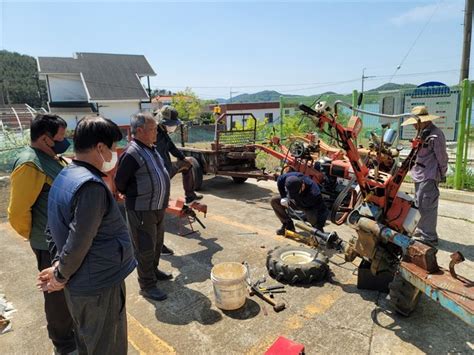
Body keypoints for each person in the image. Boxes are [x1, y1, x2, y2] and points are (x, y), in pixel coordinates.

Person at [38, 116, 136, 355]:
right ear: (100, 148)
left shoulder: (65, 175)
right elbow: (79, 240)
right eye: (113, 147)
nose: (115, 153)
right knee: (107, 345)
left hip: (81, 282)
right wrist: (60, 275)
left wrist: (58, 265)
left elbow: (52, 227)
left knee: (86, 341)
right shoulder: (91, 186)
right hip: (98, 286)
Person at [8, 113, 76, 355]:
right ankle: (63, 343)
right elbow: (17, 213)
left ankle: (71, 332)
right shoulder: (30, 163)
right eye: (61, 136)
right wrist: (35, 236)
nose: (65, 140)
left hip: (66, 240)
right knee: (56, 297)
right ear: (46, 139)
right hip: (49, 245)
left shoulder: (53, 158)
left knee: (68, 290)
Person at [114, 112, 172, 302]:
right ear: (139, 130)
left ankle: (153, 272)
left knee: (156, 244)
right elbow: (120, 183)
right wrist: (137, 194)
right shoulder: (131, 153)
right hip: (141, 210)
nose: (156, 132)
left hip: (157, 208)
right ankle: (147, 286)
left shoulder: (150, 148)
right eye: (153, 129)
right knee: (144, 248)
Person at [401, 105, 448, 246]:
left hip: (429, 175)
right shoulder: (423, 133)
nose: (414, 125)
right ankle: (421, 230)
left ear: (424, 120)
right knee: (419, 204)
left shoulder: (436, 135)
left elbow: (442, 158)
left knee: (427, 206)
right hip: (419, 174)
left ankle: (429, 237)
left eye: (416, 122)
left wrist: (442, 173)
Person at [154, 106, 203, 206]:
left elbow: (172, 147)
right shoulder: (155, 134)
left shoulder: (162, 131)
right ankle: (167, 196)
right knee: (186, 164)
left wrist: (183, 158)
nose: (172, 126)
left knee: (188, 163)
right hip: (160, 172)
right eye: (169, 124)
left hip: (164, 169)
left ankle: (190, 196)